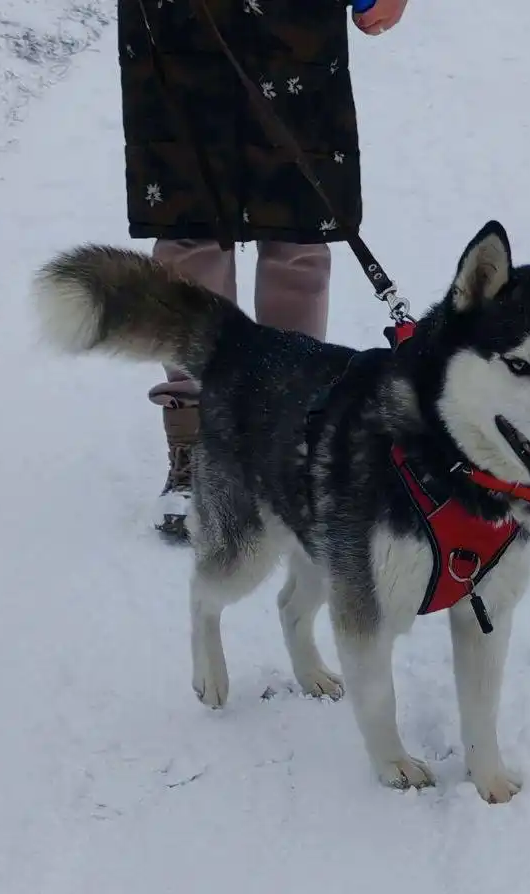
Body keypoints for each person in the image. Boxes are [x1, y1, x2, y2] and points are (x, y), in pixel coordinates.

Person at [117, 0, 410, 539]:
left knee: (298, 228)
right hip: (174, 22)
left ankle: (286, 442)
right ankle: (199, 450)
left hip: (294, 23)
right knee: (190, 232)